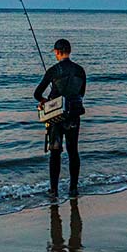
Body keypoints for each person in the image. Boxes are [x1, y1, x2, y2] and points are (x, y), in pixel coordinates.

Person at [34, 38, 86, 197]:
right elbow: (81, 94)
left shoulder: (53, 70)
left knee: (55, 152)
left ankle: (54, 190)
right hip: (74, 115)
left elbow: (37, 94)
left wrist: (44, 102)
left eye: (55, 52)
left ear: (57, 52)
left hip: (56, 116)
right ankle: (73, 189)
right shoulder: (80, 70)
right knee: (73, 152)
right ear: (69, 51)